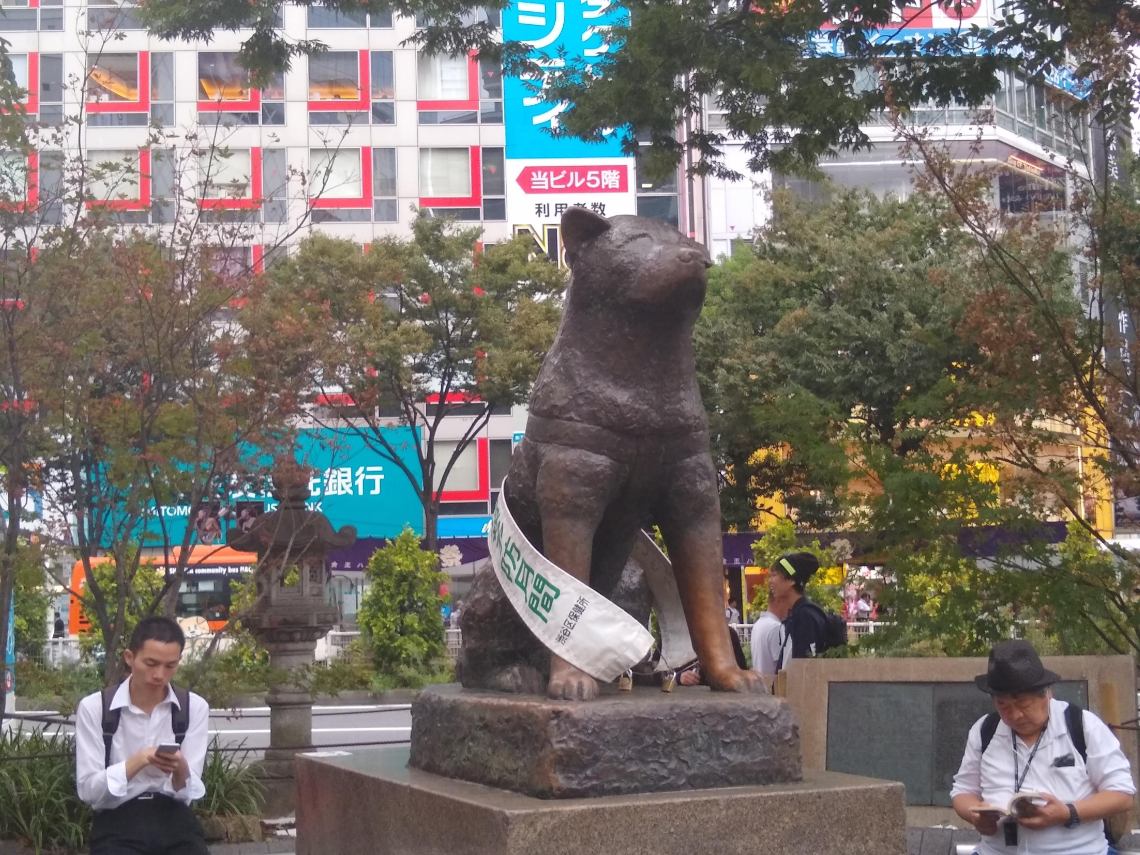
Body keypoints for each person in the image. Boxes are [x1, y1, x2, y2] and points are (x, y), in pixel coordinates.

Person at [950, 639, 1135, 855]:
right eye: (1004, 706)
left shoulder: (1082, 725)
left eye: (1023, 704)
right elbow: (963, 791)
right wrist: (975, 816)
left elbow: (1122, 794)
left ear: (1047, 694)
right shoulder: (985, 730)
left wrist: (1068, 812)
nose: (1015, 715)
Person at [75, 616, 210, 854]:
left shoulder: (193, 707)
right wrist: (138, 761)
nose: (159, 674)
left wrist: (180, 767)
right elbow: (89, 791)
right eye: (151, 663)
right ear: (130, 658)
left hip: (175, 820)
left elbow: (187, 792)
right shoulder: (96, 707)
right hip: (117, 820)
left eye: (170, 666)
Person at [768, 551, 828, 668]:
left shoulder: (805, 617)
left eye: (774, 575)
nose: (770, 581)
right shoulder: (797, 615)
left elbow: (805, 669)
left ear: (791, 580)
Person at [749, 600, 788, 681]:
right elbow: (782, 664)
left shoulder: (757, 625)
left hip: (761, 685)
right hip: (773, 687)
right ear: (779, 602)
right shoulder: (776, 627)